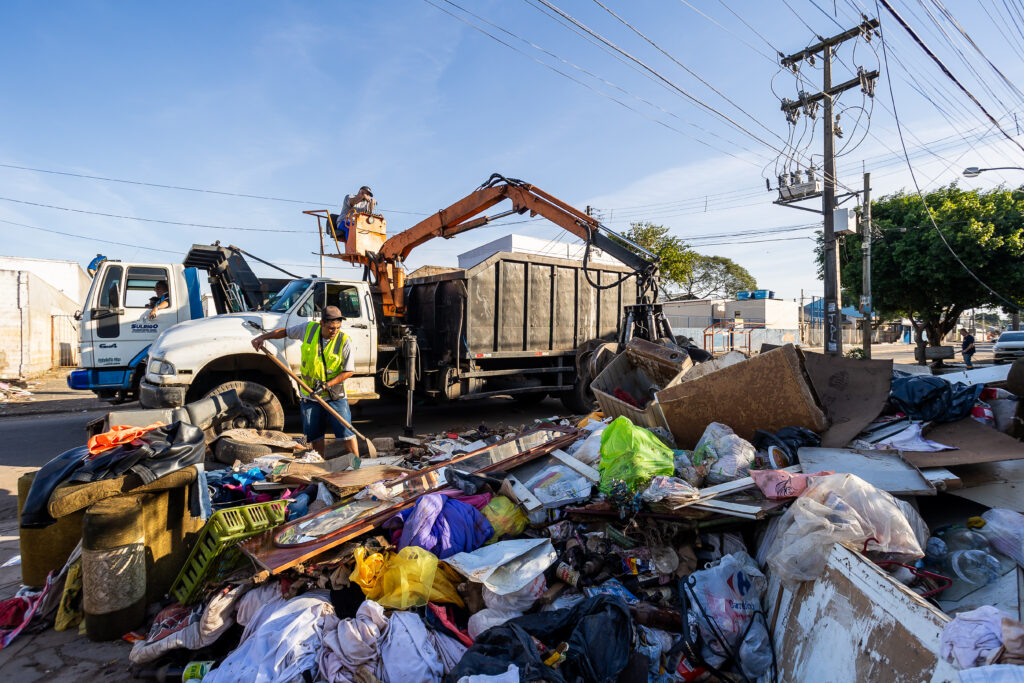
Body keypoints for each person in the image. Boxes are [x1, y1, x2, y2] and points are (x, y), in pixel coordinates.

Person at [250, 305, 357, 456]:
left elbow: (349, 371)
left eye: (337, 328)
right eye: (331, 328)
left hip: (334, 396)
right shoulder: (309, 329)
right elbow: (284, 332)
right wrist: (263, 337)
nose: (334, 331)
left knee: (347, 433)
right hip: (309, 395)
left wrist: (326, 386)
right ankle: (319, 466)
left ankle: (357, 465)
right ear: (322, 323)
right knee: (314, 437)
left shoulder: (344, 340)